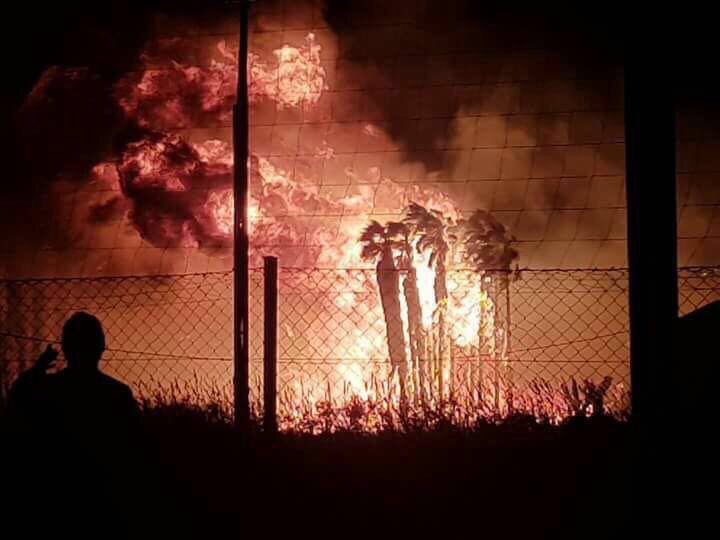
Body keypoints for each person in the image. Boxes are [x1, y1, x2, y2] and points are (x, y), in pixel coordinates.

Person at [5, 311, 140, 539]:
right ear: (101, 348)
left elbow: (17, 396)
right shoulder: (117, 393)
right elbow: (136, 446)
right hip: (105, 496)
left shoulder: (50, 389)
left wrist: (38, 369)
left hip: (57, 495)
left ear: (66, 350)